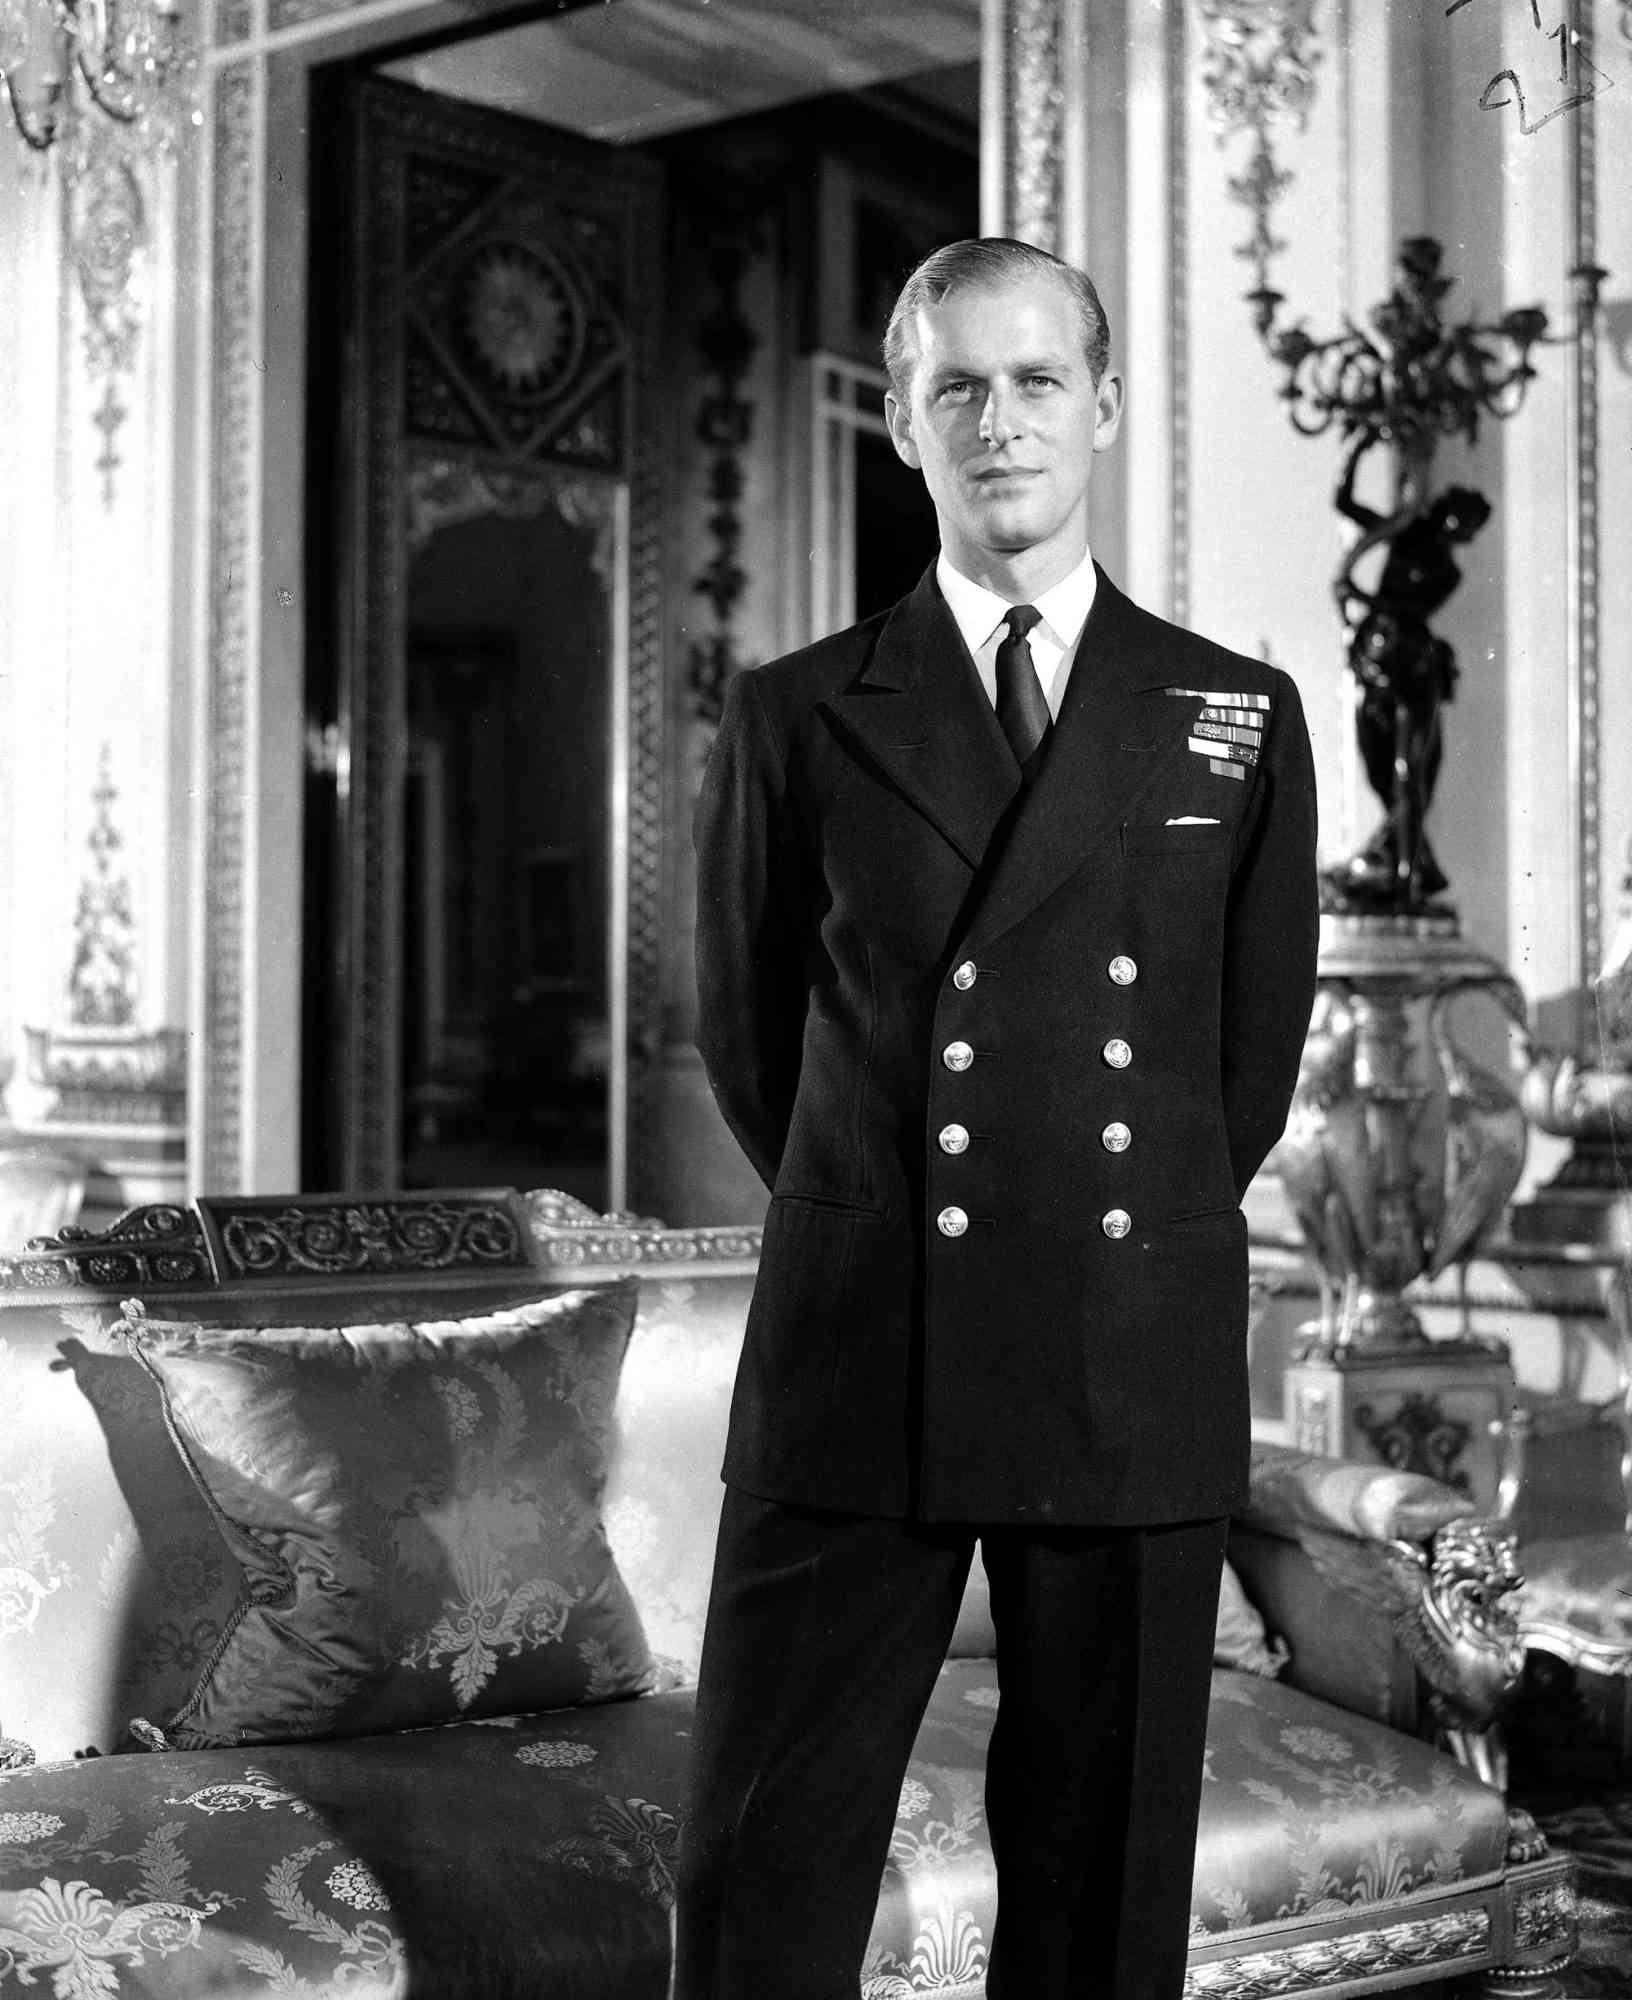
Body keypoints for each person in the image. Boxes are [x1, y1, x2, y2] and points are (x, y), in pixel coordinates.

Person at [675, 237, 1319, 2000]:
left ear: (1103, 408)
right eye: (956, 385)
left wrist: (1081, 1216)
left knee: (1105, 1895)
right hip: (862, 1349)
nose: (1000, 419)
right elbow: (750, 1042)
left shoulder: (1233, 716)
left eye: (1038, 380)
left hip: (1126, 1348)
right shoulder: (799, 711)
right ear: (900, 422)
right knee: (762, 1873)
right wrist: (895, 1209)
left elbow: (1239, 1075)